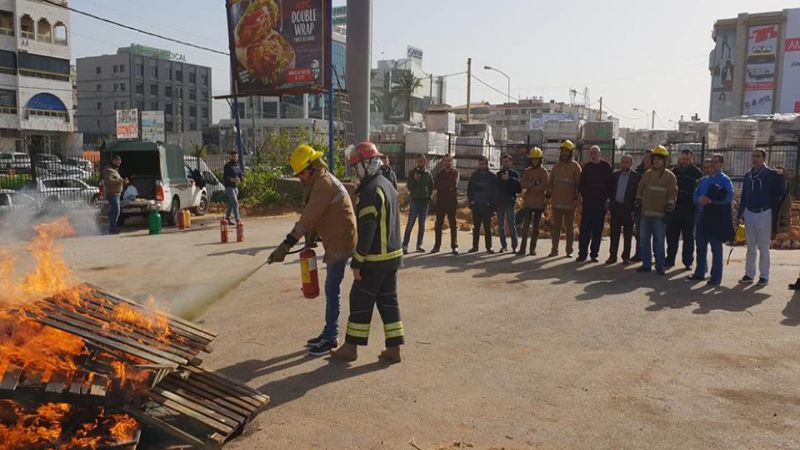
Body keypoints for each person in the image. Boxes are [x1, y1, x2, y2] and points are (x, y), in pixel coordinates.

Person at [267, 144, 357, 356]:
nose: (300, 178)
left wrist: (286, 244)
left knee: (331, 289)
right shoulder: (320, 179)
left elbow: (309, 217)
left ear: (311, 168)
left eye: (301, 174)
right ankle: (328, 331)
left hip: (341, 240)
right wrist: (309, 238)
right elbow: (317, 216)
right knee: (331, 288)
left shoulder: (323, 184)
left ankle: (331, 337)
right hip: (336, 236)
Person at [331, 141, 404, 363]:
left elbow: (368, 229)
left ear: (365, 164)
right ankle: (394, 349)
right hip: (392, 257)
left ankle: (351, 348)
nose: (355, 172)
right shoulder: (388, 185)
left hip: (375, 259)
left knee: (360, 300)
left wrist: (357, 262)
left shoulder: (370, 191)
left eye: (356, 167)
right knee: (388, 302)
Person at [737, 148, 785, 285]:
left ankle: (764, 276)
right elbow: (744, 196)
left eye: (758, 156)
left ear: (764, 159)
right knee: (750, 246)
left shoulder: (771, 174)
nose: (755, 158)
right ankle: (749, 274)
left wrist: (781, 177)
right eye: (753, 156)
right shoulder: (748, 176)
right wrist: (741, 213)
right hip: (750, 213)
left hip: (765, 213)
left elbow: (781, 192)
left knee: (764, 247)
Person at [689, 153, 734, 286]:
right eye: (711, 161)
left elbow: (728, 197)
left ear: (721, 164)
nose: (713, 164)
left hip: (715, 218)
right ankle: (700, 272)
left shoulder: (725, 180)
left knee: (716, 248)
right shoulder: (704, 180)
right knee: (701, 247)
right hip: (701, 216)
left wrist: (711, 200)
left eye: (716, 162)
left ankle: (716, 277)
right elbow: (696, 194)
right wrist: (698, 200)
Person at [635, 146, 677, 275]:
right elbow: (640, 190)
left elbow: (672, 195)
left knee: (659, 241)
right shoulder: (647, 174)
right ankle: (646, 265)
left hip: (660, 216)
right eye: (655, 159)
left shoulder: (670, 177)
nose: (656, 161)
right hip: (645, 214)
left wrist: (669, 211)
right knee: (644, 240)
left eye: (659, 159)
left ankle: (660, 266)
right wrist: (637, 205)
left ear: (665, 161)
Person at [666, 149, 704, 271]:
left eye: (688, 159)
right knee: (672, 237)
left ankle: (688, 262)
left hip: (689, 210)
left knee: (688, 238)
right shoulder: (674, 172)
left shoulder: (697, 173)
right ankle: (670, 259)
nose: (685, 161)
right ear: (680, 158)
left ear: (691, 158)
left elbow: (699, 191)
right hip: (675, 210)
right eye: (683, 159)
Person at [577, 145, 613, 262]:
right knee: (584, 230)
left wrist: (608, 200)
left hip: (600, 205)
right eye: (591, 153)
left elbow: (610, 186)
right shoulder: (587, 168)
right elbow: (581, 185)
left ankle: (594, 254)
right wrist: (580, 197)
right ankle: (582, 254)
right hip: (588, 204)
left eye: (595, 153)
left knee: (597, 231)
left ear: (599, 154)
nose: (593, 155)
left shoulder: (606, 167)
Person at [547, 140, 582, 257]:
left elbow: (579, 184)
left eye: (567, 151)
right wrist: (548, 196)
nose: (564, 153)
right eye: (563, 151)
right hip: (557, 203)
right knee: (555, 228)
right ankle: (554, 249)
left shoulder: (575, 167)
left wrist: (577, 199)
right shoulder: (556, 167)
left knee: (569, 229)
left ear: (570, 153)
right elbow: (551, 183)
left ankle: (569, 251)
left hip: (569, 204)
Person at [607, 154, 641, 264]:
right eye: (623, 162)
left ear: (631, 163)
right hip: (616, 208)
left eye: (627, 162)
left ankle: (626, 256)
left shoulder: (636, 177)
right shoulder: (615, 175)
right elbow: (611, 191)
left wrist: (634, 210)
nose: (624, 164)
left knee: (627, 235)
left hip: (628, 210)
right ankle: (612, 256)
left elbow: (637, 194)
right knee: (614, 234)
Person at [518, 147, 549, 256]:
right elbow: (523, 184)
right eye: (533, 159)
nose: (534, 161)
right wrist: (534, 183)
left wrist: (531, 186)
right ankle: (522, 249)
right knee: (526, 227)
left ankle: (532, 249)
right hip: (528, 203)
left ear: (540, 159)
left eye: (536, 159)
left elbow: (543, 186)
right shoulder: (527, 171)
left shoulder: (543, 171)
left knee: (535, 228)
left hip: (539, 204)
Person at [403, 154, 434, 254]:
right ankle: (405, 245)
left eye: (422, 161)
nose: (420, 163)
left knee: (422, 225)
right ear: (417, 162)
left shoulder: (428, 173)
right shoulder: (412, 173)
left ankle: (419, 245)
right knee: (410, 223)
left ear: (425, 162)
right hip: (415, 201)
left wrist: (429, 197)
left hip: (424, 203)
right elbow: (409, 186)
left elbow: (431, 186)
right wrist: (415, 180)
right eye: (418, 161)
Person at [467, 156, 496, 254]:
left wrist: (490, 202)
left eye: (483, 164)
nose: (482, 166)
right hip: (476, 206)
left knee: (487, 227)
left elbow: (494, 191)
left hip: (487, 206)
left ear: (487, 164)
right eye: (480, 164)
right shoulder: (474, 176)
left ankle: (489, 247)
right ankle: (475, 246)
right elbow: (470, 189)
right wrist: (471, 201)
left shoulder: (492, 176)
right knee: (476, 227)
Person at [432, 154, 460, 255]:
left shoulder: (455, 173)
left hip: (451, 203)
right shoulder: (439, 174)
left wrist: (445, 185)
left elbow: (454, 184)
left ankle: (454, 246)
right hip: (441, 203)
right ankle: (437, 246)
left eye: (449, 161)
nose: (447, 163)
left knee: (453, 225)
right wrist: (447, 186)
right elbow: (436, 185)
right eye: (445, 161)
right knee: (438, 225)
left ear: (451, 162)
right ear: (443, 162)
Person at [495, 154, 522, 253]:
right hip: (500, 203)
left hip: (510, 202)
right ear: (501, 163)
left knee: (512, 224)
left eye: (507, 161)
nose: (505, 163)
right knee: (501, 225)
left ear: (511, 162)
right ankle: (504, 246)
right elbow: (496, 188)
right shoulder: (498, 174)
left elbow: (518, 189)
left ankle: (514, 246)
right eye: (503, 161)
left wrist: (508, 180)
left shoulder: (515, 174)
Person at [630, 152, 653, 263]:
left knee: (655, 235)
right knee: (639, 232)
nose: (647, 160)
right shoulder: (638, 173)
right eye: (645, 158)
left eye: (649, 158)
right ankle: (639, 254)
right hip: (640, 206)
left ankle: (651, 255)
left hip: (653, 207)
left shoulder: (657, 173)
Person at [102, 155, 125, 234]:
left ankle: (113, 226)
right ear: (114, 161)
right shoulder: (109, 170)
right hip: (112, 194)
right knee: (116, 210)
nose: (119, 164)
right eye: (118, 162)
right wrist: (120, 181)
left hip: (116, 193)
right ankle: (113, 227)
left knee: (114, 210)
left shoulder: (114, 170)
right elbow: (109, 181)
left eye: (120, 163)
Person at [223, 150, 244, 225]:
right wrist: (232, 179)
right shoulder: (227, 166)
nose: (235, 158)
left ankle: (227, 218)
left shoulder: (237, 166)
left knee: (232, 204)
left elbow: (241, 175)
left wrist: (242, 179)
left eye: (236, 156)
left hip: (235, 188)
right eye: (233, 156)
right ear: (231, 157)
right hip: (229, 187)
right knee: (235, 203)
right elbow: (225, 177)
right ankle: (238, 220)